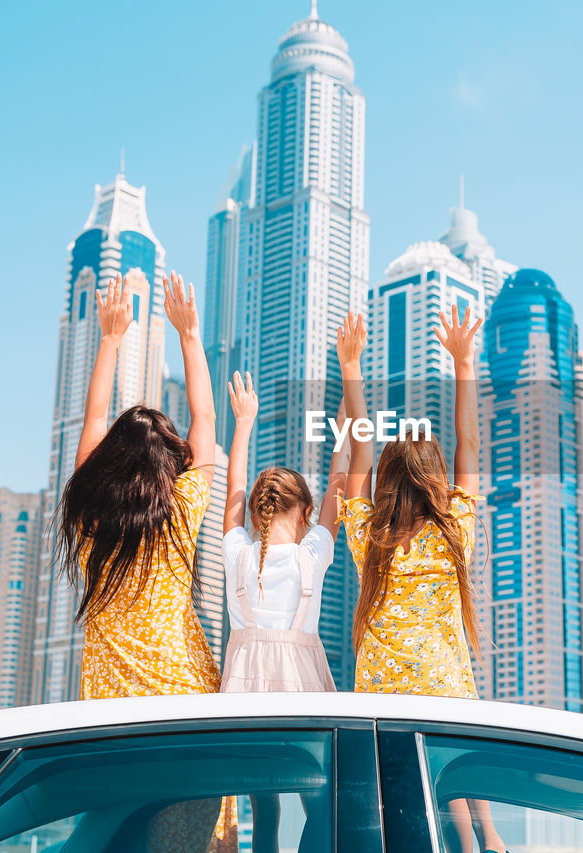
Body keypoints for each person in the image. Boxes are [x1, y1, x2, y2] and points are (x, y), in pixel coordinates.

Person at [55, 271, 229, 852]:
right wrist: (189, 334)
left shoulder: (90, 519)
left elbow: (90, 425)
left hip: (112, 725)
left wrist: (109, 339)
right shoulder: (181, 512)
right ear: (169, 464)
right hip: (188, 712)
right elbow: (206, 422)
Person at [336, 309, 509, 853]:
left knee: (403, 819)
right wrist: (463, 363)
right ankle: (491, 836)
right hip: (447, 695)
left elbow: (358, 454)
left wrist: (351, 368)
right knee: (456, 779)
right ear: (434, 479)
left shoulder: (369, 541)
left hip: (382, 710)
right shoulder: (454, 533)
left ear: (387, 481)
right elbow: (470, 447)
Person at [220, 372, 348, 853]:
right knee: (320, 805)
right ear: (304, 512)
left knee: (264, 808)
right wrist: (343, 424)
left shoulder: (237, 555)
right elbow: (339, 483)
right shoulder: (309, 555)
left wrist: (244, 422)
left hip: (244, 693)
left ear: (257, 512)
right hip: (300, 690)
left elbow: (233, 491)